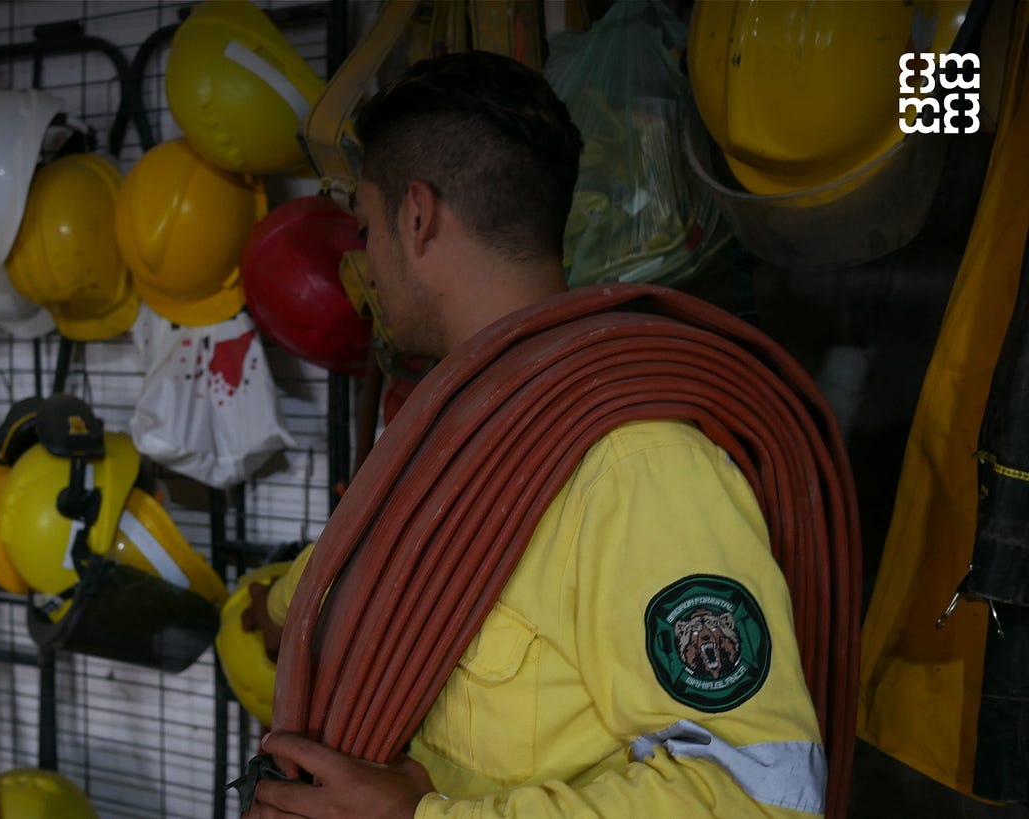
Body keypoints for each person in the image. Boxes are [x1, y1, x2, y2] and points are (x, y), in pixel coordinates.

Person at [241, 51, 826, 818]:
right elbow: (391, 555)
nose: (366, 264)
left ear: (417, 216)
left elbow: (763, 799)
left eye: (366, 227)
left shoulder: (637, 466)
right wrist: (285, 603)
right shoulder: (455, 431)